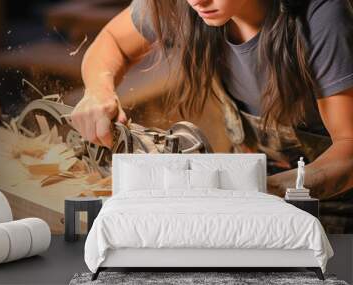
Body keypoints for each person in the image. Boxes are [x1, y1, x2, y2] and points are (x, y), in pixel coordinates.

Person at [70, 0, 353, 233]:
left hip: (333, 201)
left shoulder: (322, 16)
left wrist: (262, 188)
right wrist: (97, 91)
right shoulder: (185, 4)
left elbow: (348, 148)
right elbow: (113, 42)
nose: (197, 1)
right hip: (252, 186)